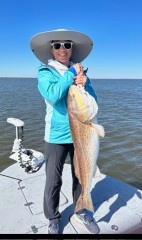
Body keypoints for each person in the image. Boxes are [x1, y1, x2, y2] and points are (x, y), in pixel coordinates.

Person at [30, 29, 99, 234]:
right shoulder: (45, 72)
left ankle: (81, 211)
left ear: (71, 49)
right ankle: (52, 217)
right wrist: (70, 75)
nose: (63, 49)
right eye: (57, 45)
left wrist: (85, 84)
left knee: (81, 175)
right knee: (53, 179)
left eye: (67, 45)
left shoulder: (81, 72)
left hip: (82, 133)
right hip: (56, 135)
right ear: (51, 49)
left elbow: (94, 101)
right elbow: (52, 94)